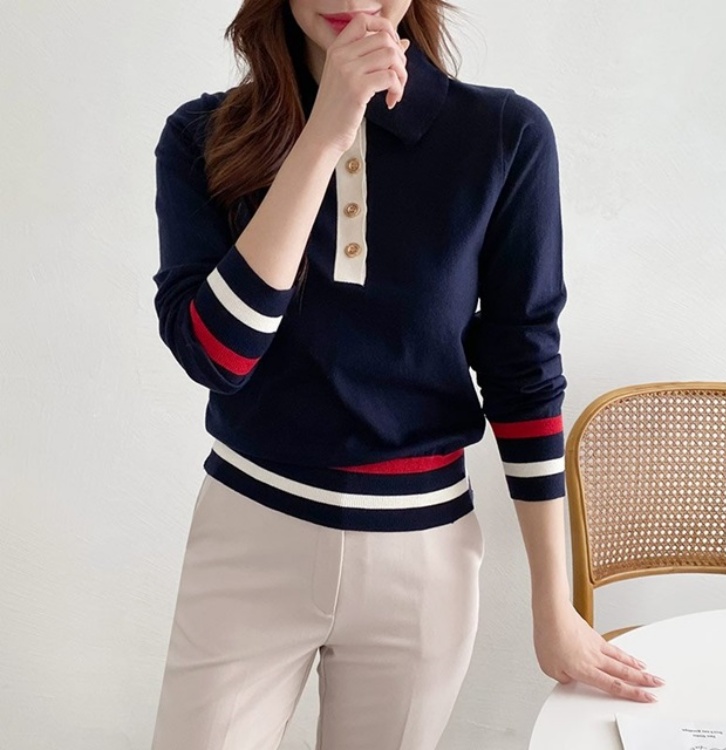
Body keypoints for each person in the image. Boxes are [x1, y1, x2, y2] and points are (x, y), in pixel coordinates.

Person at [149, 1, 665, 748]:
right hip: (250, 535)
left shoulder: (503, 136)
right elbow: (217, 356)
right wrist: (325, 133)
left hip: (420, 558)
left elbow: (523, 372)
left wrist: (553, 605)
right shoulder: (203, 135)